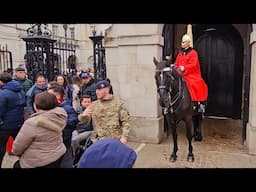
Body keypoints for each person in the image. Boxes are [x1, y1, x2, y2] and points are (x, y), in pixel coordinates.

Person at [12, 91, 67, 168]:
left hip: (38, 161)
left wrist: (15, 152)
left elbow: (18, 148)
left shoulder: (32, 123)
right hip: (58, 154)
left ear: (36, 105)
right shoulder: (60, 115)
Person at [79, 80, 131, 144]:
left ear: (107, 90)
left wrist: (124, 137)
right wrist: (83, 115)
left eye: (99, 90)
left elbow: (126, 122)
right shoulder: (94, 105)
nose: (97, 92)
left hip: (114, 140)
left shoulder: (118, 104)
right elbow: (84, 120)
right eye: (96, 90)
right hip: (97, 141)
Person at [174, 34, 208, 112]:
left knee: (198, 83)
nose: (182, 44)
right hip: (180, 74)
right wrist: (175, 67)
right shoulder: (180, 53)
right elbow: (176, 63)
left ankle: (200, 103)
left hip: (191, 74)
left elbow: (194, 64)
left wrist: (184, 68)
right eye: (182, 42)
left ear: (188, 43)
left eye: (184, 42)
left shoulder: (193, 53)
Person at [0, 72, 26, 167]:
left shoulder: (3, 93)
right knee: (22, 147)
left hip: (5, 126)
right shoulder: (20, 89)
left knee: (1, 148)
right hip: (19, 123)